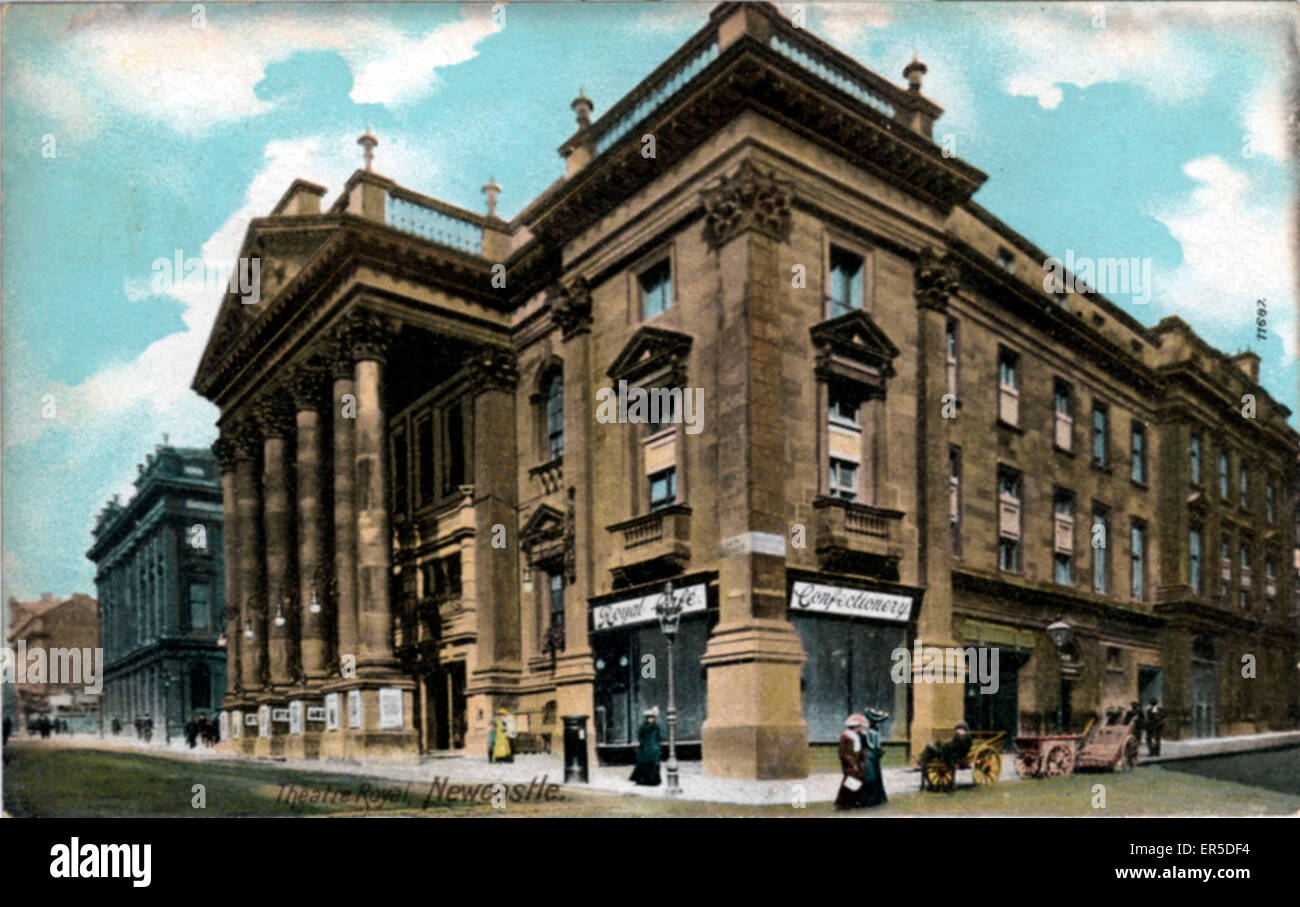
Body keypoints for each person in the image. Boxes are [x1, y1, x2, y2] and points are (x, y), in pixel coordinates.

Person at [834, 714, 867, 810]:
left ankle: (852, 801)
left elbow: (859, 750)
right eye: (859, 726)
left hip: (856, 763)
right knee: (849, 783)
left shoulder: (856, 737)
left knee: (855, 782)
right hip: (850, 764)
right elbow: (844, 753)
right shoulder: (846, 737)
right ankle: (844, 803)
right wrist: (852, 764)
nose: (860, 728)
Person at [858, 708, 889, 807]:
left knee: (874, 777)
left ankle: (875, 797)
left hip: (873, 756)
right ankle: (872, 798)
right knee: (872, 777)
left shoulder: (871, 731)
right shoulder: (870, 732)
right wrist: (877, 751)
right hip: (871, 757)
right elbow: (872, 744)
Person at [630, 707, 663, 786]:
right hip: (649, 748)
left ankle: (650, 781)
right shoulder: (651, 726)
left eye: (652, 718)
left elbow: (657, 737)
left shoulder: (651, 726)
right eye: (649, 718)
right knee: (648, 765)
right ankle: (648, 781)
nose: (651, 719)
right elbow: (641, 737)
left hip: (651, 749)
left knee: (650, 765)